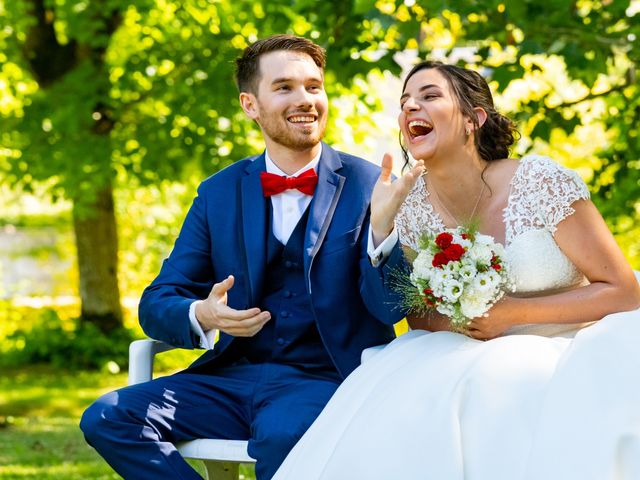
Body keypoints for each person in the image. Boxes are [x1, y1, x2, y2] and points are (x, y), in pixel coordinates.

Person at [272, 60, 640, 479]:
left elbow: (624, 291)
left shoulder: (540, 182)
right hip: (470, 348)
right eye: (405, 101)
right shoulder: (410, 205)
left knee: (504, 387)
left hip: (573, 340)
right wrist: (382, 224)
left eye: (429, 96)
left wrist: (511, 314)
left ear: (473, 119)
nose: (411, 107)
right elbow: (416, 313)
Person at [79, 35, 424, 480]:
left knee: (284, 437)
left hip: (321, 380)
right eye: (284, 87)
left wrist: (381, 231)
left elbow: (392, 308)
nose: (305, 100)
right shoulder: (219, 192)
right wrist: (202, 313)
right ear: (250, 104)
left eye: (314, 86)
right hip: (227, 378)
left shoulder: (367, 184)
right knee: (107, 417)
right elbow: (157, 300)